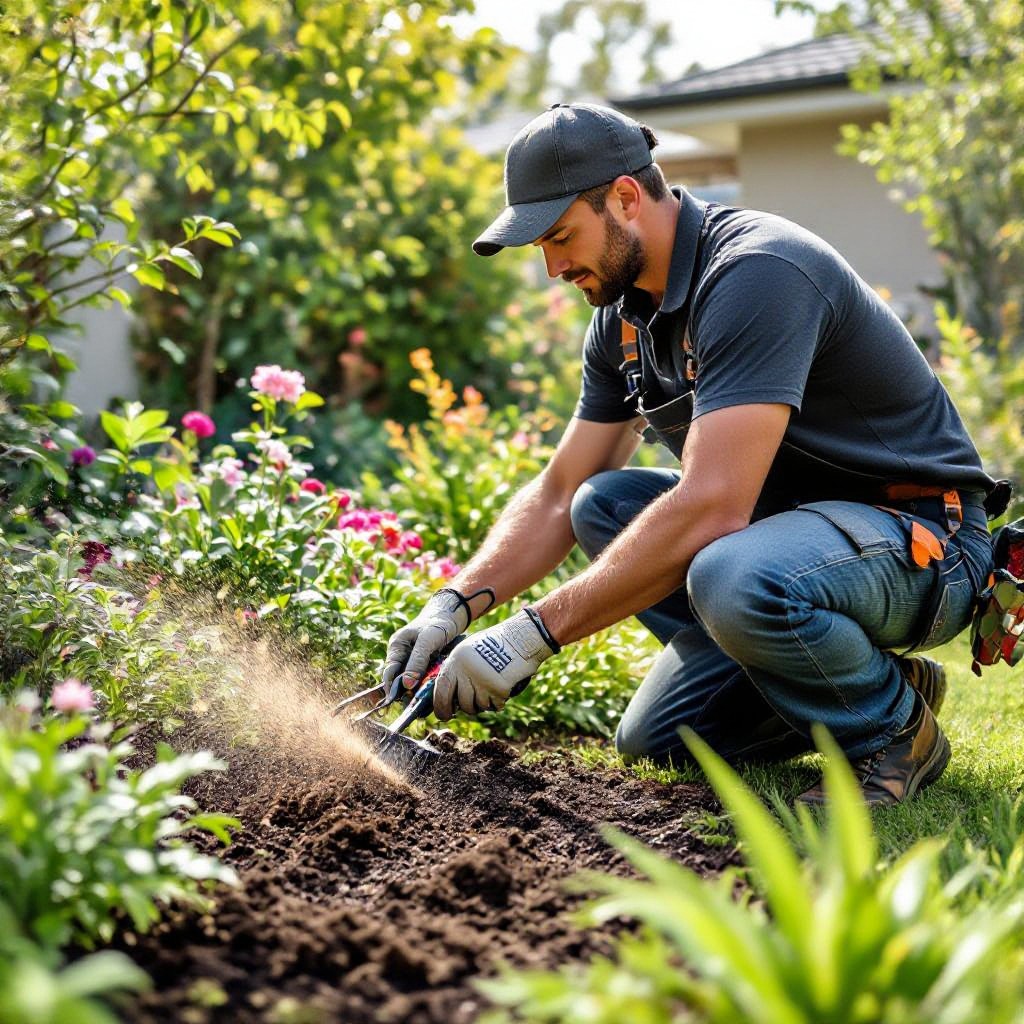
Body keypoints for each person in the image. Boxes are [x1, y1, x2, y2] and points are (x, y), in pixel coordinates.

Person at [382, 102, 1003, 805]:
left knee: (729, 571)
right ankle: (867, 683)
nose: (554, 267)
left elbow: (713, 505)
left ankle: (893, 735)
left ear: (624, 197)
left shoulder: (757, 272)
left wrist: (529, 637)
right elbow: (560, 491)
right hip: (783, 545)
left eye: (561, 237)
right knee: (614, 556)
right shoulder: (621, 320)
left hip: (920, 540)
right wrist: (452, 606)